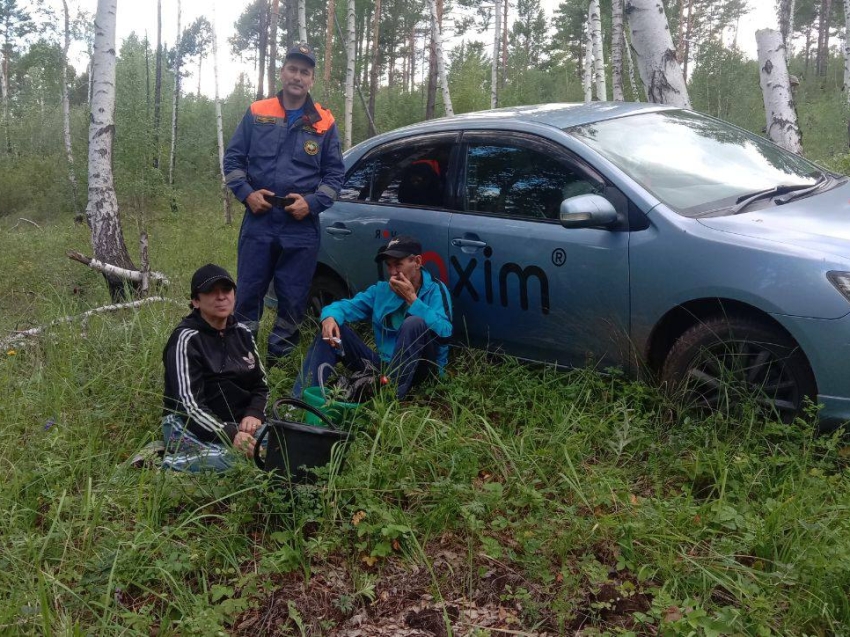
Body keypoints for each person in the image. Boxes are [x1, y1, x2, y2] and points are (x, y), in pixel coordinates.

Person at [223, 43, 345, 366]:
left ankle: (278, 359)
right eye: (293, 68)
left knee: (292, 297)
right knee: (248, 293)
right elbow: (233, 160)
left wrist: (312, 203)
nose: (298, 76)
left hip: (300, 226)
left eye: (305, 72)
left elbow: (335, 176)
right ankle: (243, 360)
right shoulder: (257, 111)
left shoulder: (324, 122)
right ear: (283, 72)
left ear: (312, 79)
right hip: (259, 220)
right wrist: (247, 194)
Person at [294, 236, 453, 400]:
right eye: (389, 265)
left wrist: (413, 300)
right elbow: (347, 306)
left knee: (414, 323)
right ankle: (298, 401)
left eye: (398, 264)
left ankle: (389, 398)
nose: (392, 272)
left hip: (421, 370)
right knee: (332, 328)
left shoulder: (435, 289)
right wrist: (329, 316)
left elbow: (445, 334)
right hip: (383, 366)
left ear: (417, 262)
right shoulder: (382, 290)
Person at [161, 264, 268, 472]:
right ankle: (169, 464)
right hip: (186, 425)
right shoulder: (185, 339)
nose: (221, 297)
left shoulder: (244, 333)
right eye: (211, 291)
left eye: (226, 290)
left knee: (283, 443)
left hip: (239, 424)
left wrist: (254, 414)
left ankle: (213, 454)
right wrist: (231, 434)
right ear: (196, 301)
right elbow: (189, 407)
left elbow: (261, 386)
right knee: (242, 461)